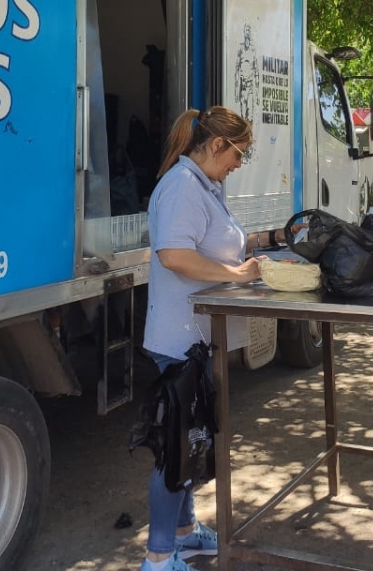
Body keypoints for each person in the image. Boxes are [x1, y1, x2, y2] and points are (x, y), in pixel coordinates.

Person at [140, 106, 289, 571]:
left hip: (200, 337)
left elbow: (215, 243)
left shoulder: (205, 185)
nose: (240, 164)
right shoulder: (183, 186)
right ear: (217, 145)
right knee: (176, 443)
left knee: (193, 439)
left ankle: (184, 532)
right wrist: (236, 277)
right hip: (180, 339)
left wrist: (270, 241)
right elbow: (175, 256)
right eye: (239, 153)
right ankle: (159, 555)